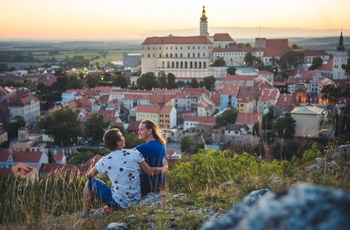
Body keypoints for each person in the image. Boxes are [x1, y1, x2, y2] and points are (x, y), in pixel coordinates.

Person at [74, 128, 168, 226]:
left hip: (117, 204)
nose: (124, 138)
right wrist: (164, 168)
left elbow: (89, 175)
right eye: (122, 136)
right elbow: (149, 171)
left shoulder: (105, 160)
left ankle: (85, 215)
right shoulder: (135, 153)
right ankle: (108, 207)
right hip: (135, 202)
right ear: (118, 142)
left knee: (90, 183)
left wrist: (102, 168)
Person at [136, 119, 167, 197]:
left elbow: (125, 154)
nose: (138, 132)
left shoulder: (142, 148)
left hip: (148, 186)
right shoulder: (162, 145)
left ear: (149, 131)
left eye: (141, 130)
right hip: (161, 184)